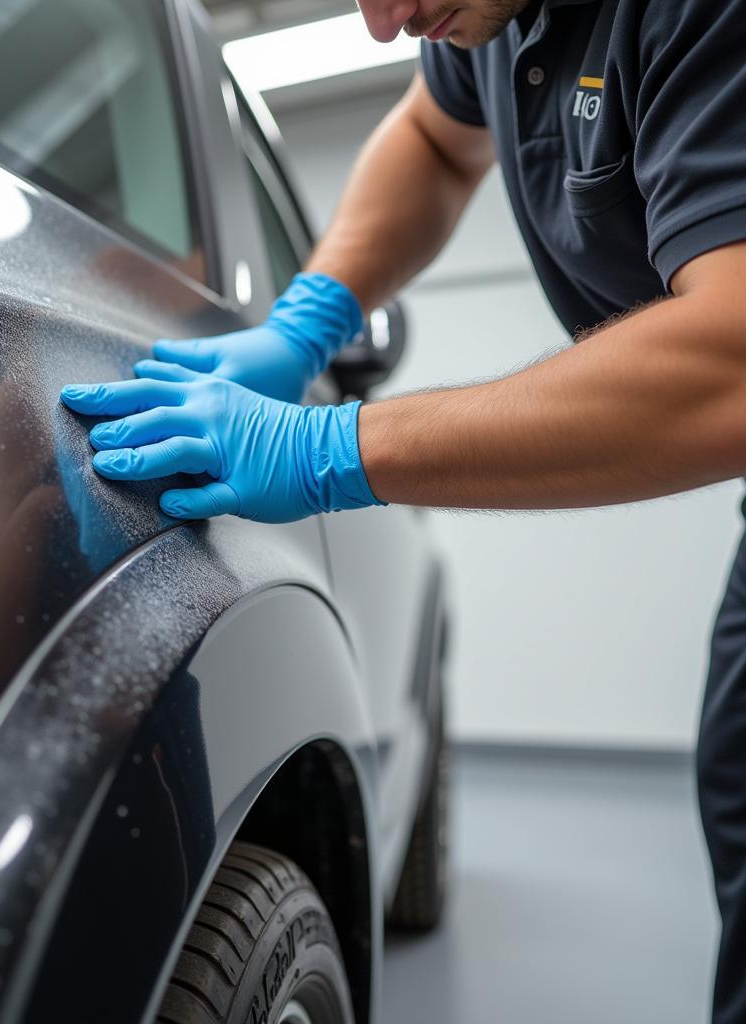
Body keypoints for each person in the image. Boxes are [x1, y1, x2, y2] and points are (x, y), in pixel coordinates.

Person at [59, 1, 746, 1018]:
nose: (384, 25)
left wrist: (330, 445)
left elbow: (732, 362)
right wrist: (308, 318)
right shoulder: (491, 24)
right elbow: (430, 137)